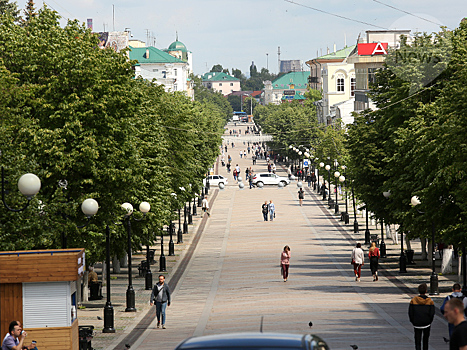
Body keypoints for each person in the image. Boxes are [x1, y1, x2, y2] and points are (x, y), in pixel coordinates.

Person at [408, 283, 435, 350]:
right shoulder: (430, 301)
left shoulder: (413, 300)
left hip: (416, 323)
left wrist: (413, 321)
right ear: (426, 291)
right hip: (426, 323)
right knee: (425, 340)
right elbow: (432, 313)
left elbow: (410, 312)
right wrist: (429, 321)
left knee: (417, 340)